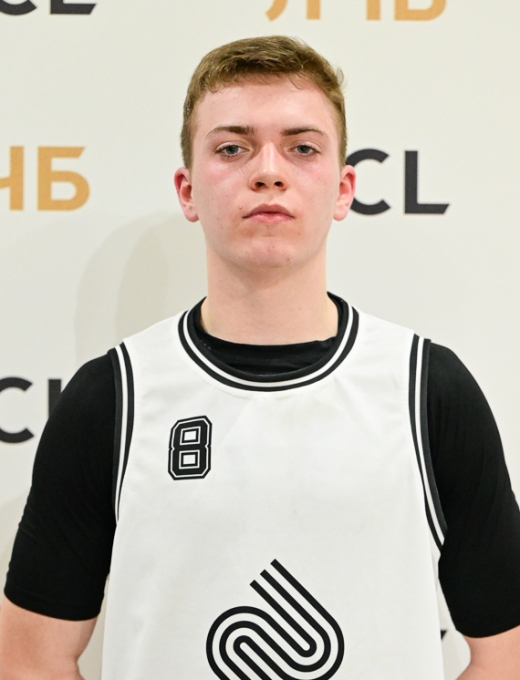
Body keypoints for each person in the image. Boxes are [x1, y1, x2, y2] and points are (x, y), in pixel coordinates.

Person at [1, 35, 520, 680]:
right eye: (232, 148)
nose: (268, 171)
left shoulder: (427, 389)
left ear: (343, 189)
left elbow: (507, 655)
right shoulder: (113, 396)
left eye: (302, 148)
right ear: (188, 191)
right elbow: (30, 658)